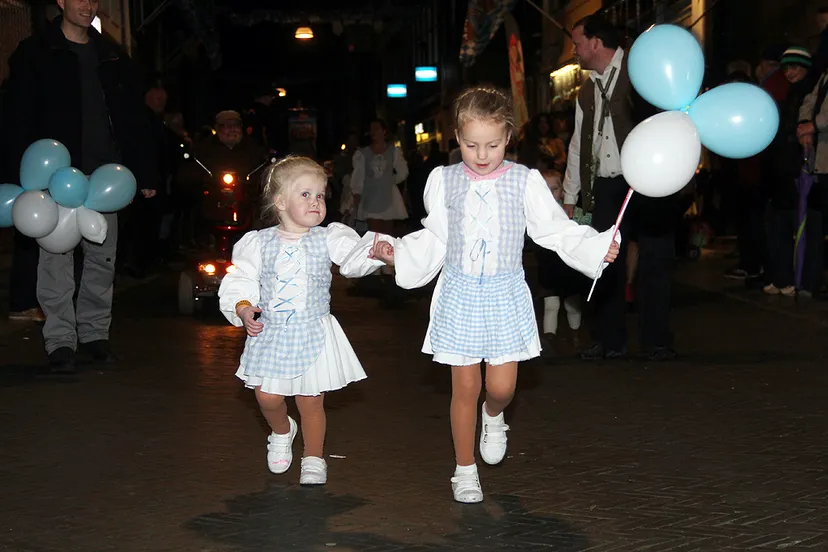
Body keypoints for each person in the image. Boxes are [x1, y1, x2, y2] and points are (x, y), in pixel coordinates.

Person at [370, 87, 619, 504]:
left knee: (500, 387)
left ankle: (494, 415)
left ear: (508, 138)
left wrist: (596, 247)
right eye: (471, 145)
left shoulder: (524, 181)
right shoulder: (444, 180)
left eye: (492, 145)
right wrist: (398, 254)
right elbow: (436, 237)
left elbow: (554, 229)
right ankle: (464, 469)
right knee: (464, 387)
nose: (482, 155)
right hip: (459, 294)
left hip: (505, 294)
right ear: (457, 138)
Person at [1, 0, 157, 373]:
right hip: (54, 176)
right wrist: (17, 173)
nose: (88, 5)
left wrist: (145, 172)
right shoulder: (36, 52)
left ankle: (94, 336)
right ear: (61, 1)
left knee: (102, 260)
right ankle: (60, 342)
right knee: (55, 263)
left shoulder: (112, 56)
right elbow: (16, 115)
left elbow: (133, 118)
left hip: (106, 179)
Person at [218, 156, 387, 485]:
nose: (315, 202)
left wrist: (374, 253)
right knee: (267, 397)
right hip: (272, 332)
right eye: (305, 194)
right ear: (280, 202)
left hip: (313, 330)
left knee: (311, 401)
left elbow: (352, 258)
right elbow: (241, 279)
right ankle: (282, 431)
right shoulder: (258, 243)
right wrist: (243, 307)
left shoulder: (328, 237)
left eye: (320, 195)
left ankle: (313, 456)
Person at [562, 12, 676, 361]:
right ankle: (610, 340)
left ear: (596, 43)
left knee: (654, 259)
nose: (575, 51)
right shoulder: (586, 89)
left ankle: (657, 340)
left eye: (578, 43)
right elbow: (578, 143)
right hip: (606, 184)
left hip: (647, 181)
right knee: (604, 260)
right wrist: (570, 194)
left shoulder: (640, 71)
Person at [535, 169, 589, 357]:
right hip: (548, 266)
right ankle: (548, 340)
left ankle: (576, 336)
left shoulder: (571, 211)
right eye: (546, 189)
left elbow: (588, 223)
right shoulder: (535, 213)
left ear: (563, 191)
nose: (550, 194)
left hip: (569, 267)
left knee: (572, 304)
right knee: (551, 304)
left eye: (555, 189)